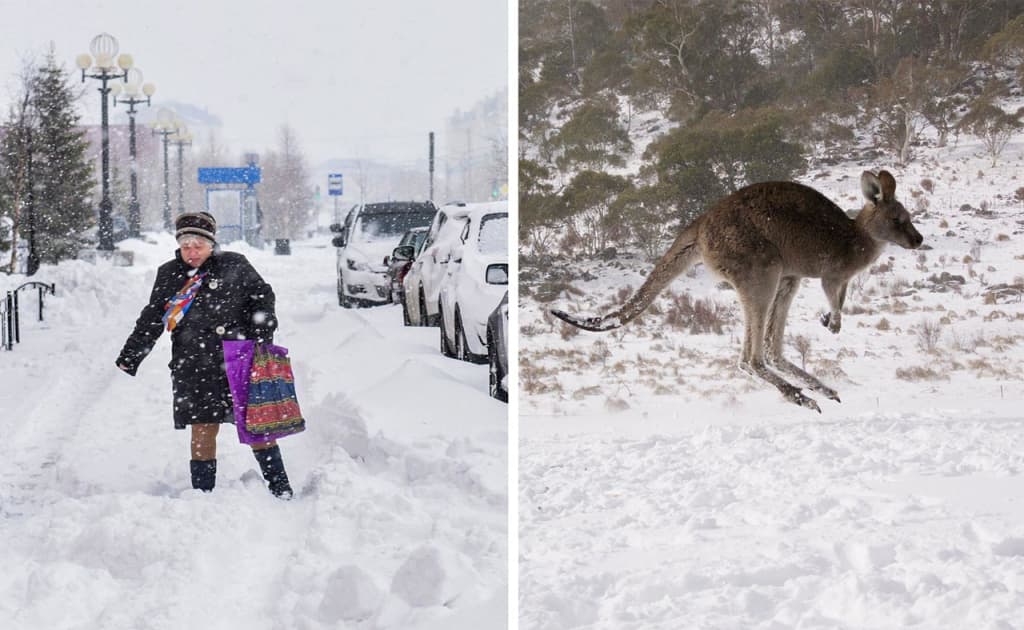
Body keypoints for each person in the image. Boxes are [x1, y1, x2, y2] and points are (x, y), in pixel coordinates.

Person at [116, 212, 294, 498]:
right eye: (186, 246)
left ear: (212, 243)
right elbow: (153, 317)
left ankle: (280, 487)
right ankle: (203, 494)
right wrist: (132, 354)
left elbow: (262, 296)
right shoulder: (169, 274)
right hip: (194, 363)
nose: (192, 252)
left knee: (257, 424)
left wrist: (261, 335)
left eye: (198, 245)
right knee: (202, 427)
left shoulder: (235, 264)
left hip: (238, 359)